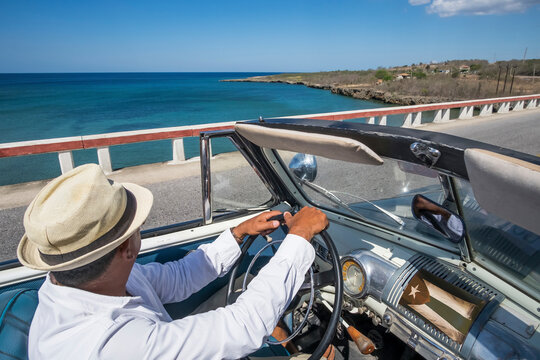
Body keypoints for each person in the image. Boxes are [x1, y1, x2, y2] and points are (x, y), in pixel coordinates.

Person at [18, 163, 328, 359]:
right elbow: (241, 327)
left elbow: (177, 277)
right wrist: (298, 239)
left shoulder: (84, 281)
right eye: (136, 223)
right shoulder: (108, 346)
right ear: (127, 247)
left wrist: (237, 234)